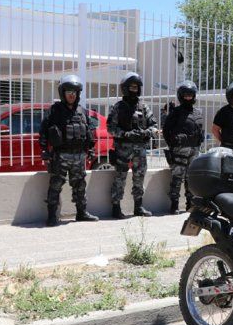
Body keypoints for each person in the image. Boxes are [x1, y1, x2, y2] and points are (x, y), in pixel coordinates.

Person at [39, 74, 99, 227]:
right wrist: (45, 150)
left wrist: (90, 149)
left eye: (74, 91)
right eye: (68, 91)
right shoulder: (54, 111)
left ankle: (81, 212)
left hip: (79, 156)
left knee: (80, 185)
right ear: (62, 93)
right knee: (56, 185)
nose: (72, 94)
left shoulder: (82, 111)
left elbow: (89, 132)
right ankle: (52, 216)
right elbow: (44, 132)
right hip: (60, 155)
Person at [108, 72, 158, 219]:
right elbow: (110, 127)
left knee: (139, 177)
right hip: (123, 149)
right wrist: (125, 134)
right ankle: (116, 207)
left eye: (136, 87)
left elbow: (154, 126)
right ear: (125, 88)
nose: (134, 89)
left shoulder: (143, 107)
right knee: (120, 177)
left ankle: (138, 207)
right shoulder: (118, 107)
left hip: (140, 149)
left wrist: (145, 132)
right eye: (131, 87)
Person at [162, 81, 204, 214]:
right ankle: (174, 205)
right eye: (185, 95)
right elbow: (166, 130)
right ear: (181, 96)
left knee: (191, 178)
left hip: (194, 150)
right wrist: (173, 144)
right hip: (179, 150)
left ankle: (190, 204)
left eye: (190, 95)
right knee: (177, 177)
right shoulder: (175, 112)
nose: (188, 98)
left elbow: (200, 130)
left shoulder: (197, 112)